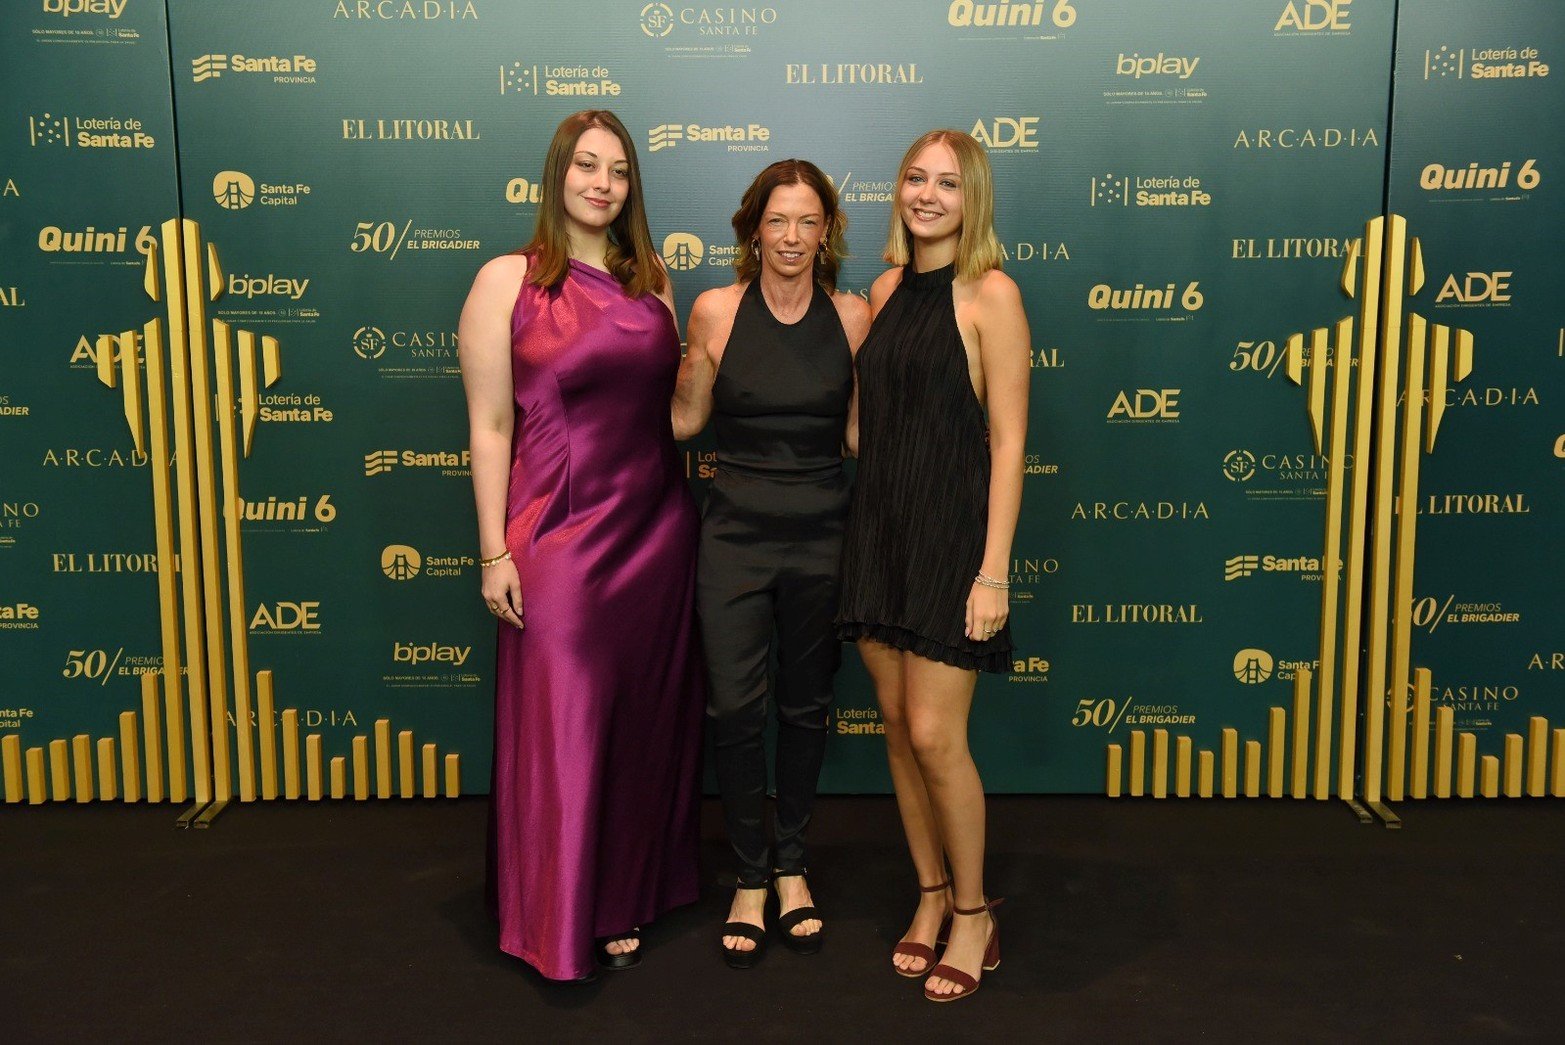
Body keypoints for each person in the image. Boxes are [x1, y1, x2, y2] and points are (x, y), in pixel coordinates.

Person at [458, 109, 703, 982]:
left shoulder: (654, 284)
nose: (602, 183)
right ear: (557, 172)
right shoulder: (506, 281)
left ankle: (619, 896)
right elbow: (490, 426)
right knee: (567, 720)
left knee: (639, 723)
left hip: (657, 529)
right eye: (587, 166)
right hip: (557, 532)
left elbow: (673, 419)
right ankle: (555, 910)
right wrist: (494, 550)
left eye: (619, 170)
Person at [835, 129, 1030, 1002]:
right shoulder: (881, 289)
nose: (927, 195)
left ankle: (975, 912)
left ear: (971, 198)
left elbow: (1010, 442)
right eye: (915, 176)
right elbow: (868, 423)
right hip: (878, 530)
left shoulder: (992, 294)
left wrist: (992, 572)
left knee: (934, 735)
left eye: (947, 183)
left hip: (951, 539)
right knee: (891, 724)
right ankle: (928, 895)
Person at [672, 159, 870, 968]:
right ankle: (748, 874)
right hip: (735, 535)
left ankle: (792, 865)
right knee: (733, 707)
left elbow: (859, 439)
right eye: (777, 221)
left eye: (807, 222)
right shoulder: (715, 310)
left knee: (805, 703)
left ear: (826, 233)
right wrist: (689, 362)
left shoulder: (854, 316)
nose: (791, 238)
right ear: (753, 228)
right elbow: (685, 425)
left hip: (823, 531)